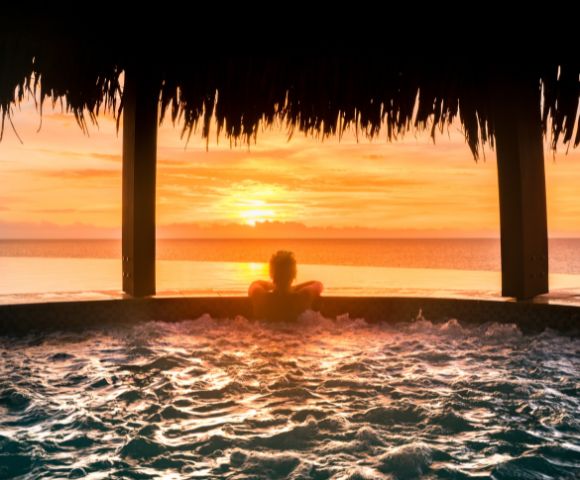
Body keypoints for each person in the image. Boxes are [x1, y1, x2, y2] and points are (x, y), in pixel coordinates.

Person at [248, 250, 323, 322]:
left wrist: (272, 285)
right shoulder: (303, 297)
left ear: (271, 274)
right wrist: (295, 287)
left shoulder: (260, 297)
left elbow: (255, 283)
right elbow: (318, 284)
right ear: (294, 274)